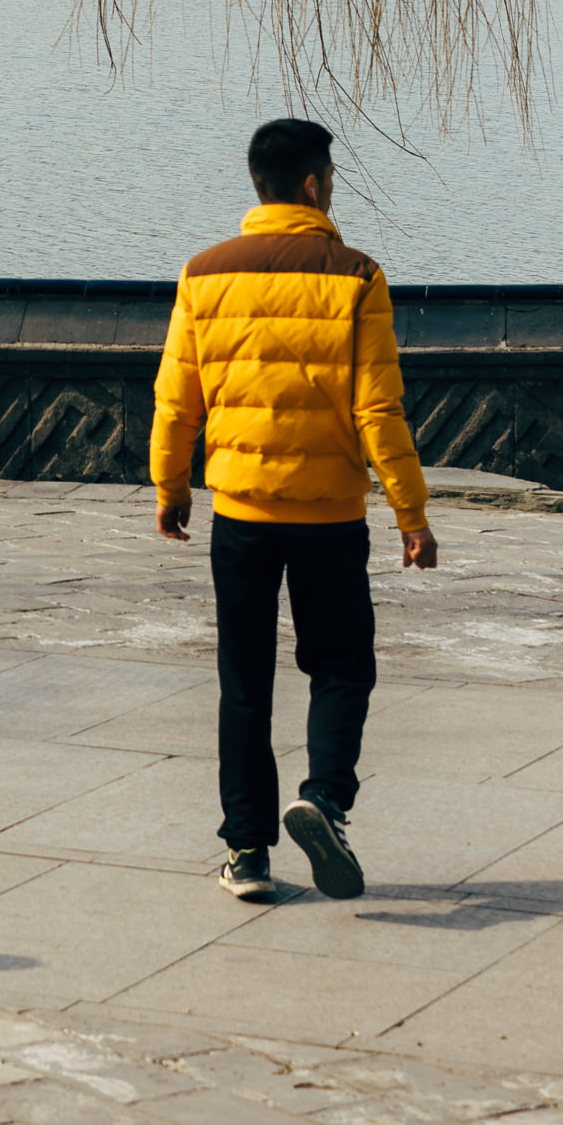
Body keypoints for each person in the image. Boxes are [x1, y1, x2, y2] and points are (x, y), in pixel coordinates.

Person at [151, 118, 436, 907]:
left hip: (240, 512)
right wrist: (412, 514)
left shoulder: (203, 274)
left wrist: (170, 487)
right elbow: (380, 409)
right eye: (333, 175)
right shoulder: (357, 276)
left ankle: (247, 852)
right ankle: (326, 802)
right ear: (312, 184)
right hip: (329, 518)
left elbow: (177, 398)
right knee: (341, 665)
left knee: (245, 680)